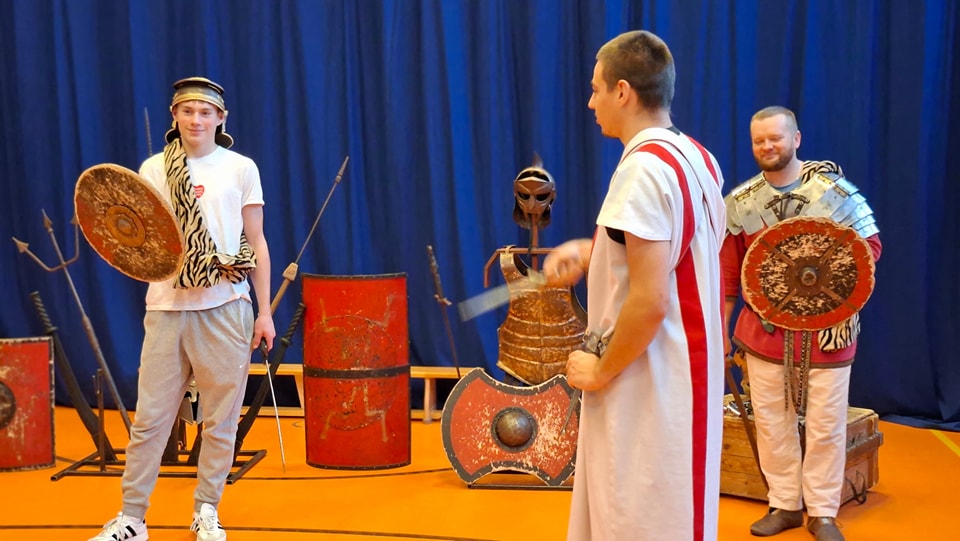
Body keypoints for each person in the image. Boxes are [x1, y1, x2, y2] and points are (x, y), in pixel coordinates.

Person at [543, 30, 727, 541]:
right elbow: (673, 254)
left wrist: (600, 371)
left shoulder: (642, 170)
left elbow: (650, 300)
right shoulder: (697, 156)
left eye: (596, 89)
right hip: (681, 373)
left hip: (652, 378)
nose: (591, 102)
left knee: (639, 521)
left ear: (622, 92)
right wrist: (595, 251)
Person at [90, 77, 276, 541]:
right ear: (174, 115)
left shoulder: (241, 168)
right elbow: (139, 241)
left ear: (221, 118)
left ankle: (207, 510)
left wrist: (265, 312)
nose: (196, 119)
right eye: (187, 111)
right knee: (150, 421)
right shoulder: (153, 168)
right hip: (167, 307)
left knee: (221, 421)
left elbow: (256, 242)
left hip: (227, 306)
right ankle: (132, 519)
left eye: (205, 112)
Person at [721, 106, 882, 541]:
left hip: (828, 333)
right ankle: (785, 505)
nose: (767, 146)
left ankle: (823, 512)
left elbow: (869, 250)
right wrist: (720, 332)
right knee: (772, 422)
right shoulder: (741, 203)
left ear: (796, 139)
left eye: (775, 138)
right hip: (764, 333)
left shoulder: (835, 194)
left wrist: (827, 279)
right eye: (759, 141)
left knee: (827, 425)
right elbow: (729, 275)